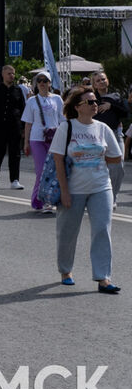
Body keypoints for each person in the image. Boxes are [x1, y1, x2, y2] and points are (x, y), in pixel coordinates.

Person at [51, 87, 122, 293]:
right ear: (77, 107)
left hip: (101, 187)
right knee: (67, 232)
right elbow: (58, 159)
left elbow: (116, 158)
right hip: (73, 189)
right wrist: (64, 191)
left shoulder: (102, 128)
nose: (94, 105)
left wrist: (97, 159)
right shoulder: (67, 128)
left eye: (95, 102)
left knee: (102, 230)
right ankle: (65, 271)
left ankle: (103, 278)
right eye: (89, 102)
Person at [22, 73, 64, 213]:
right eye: (39, 81)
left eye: (45, 80)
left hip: (54, 139)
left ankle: (51, 200)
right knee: (41, 171)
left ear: (50, 83)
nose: (42, 83)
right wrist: (26, 143)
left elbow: (62, 120)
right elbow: (28, 123)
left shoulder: (57, 99)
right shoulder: (32, 101)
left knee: (55, 170)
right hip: (37, 139)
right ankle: (39, 201)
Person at [0, 65, 26, 189]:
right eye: (9, 73)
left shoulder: (18, 90)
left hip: (15, 126)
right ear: (3, 74)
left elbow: (23, 109)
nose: (11, 76)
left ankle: (14, 180)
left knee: (15, 153)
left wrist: (24, 127)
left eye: (13, 73)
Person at [91, 71, 128, 209]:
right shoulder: (92, 98)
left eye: (103, 79)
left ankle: (112, 196)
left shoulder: (116, 96)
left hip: (115, 135)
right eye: (98, 80)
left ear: (108, 81)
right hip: (95, 136)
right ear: (94, 84)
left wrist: (111, 106)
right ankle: (97, 196)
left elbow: (125, 113)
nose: (101, 82)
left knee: (118, 166)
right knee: (96, 168)